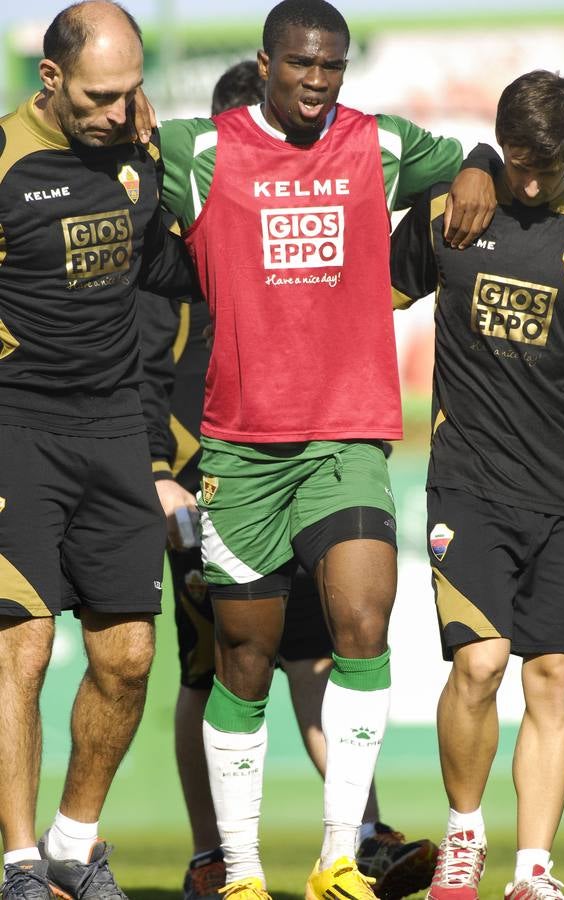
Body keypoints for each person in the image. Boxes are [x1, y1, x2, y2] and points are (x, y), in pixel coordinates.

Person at [155, 1, 496, 897]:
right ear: (266, 61)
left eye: (331, 67)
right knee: (244, 661)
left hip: (347, 435)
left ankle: (338, 857)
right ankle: (237, 871)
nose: (316, 81)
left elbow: (466, 158)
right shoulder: (201, 151)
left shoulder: (377, 144)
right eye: (301, 64)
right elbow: (109, 182)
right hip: (240, 449)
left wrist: (480, 165)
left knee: (360, 626)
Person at [0, 4, 198, 900]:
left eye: (130, 93)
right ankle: (18, 866)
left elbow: (167, 276)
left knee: (127, 659)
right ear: (50, 79)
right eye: (99, 95)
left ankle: (74, 846)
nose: (119, 111)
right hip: (17, 428)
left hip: (118, 432)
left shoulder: (139, 156)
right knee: (25, 648)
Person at [390, 69, 564, 900]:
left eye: (549, 166)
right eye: (516, 160)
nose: (532, 181)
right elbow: (363, 295)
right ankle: (464, 838)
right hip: (468, 482)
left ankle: (534, 871)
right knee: (478, 664)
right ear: (500, 142)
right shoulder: (454, 210)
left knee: (551, 678)